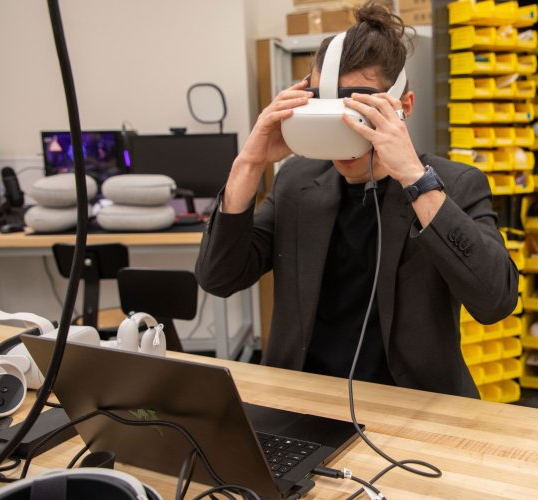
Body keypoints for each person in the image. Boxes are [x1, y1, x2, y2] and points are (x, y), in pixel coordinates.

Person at [196, 2, 518, 398]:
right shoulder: (297, 182)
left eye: (359, 112)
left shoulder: (455, 185)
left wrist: (415, 181)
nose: (345, 136)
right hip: (305, 398)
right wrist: (249, 163)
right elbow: (219, 277)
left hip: (414, 403)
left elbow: (495, 301)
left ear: (404, 107)